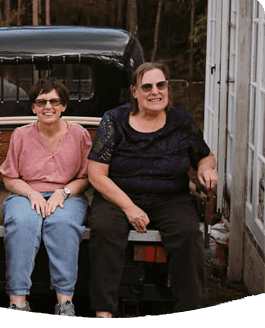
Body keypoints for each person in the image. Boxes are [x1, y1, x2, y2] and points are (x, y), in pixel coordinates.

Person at [87, 62, 218, 317]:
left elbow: (205, 155)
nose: (155, 92)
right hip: (119, 197)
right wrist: (129, 207)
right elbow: (96, 173)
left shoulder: (182, 122)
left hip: (170, 198)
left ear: (167, 88)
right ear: (134, 91)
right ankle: (104, 311)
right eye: (147, 86)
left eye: (161, 85)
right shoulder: (114, 120)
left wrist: (206, 169)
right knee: (104, 231)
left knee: (189, 235)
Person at [0, 78, 91, 316]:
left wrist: (64, 192)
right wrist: (31, 193)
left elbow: (87, 177)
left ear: (64, 106)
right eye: (41, 102)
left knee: (62, 223)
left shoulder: (80, 135)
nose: (47, 107)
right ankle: (18, 301)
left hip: (68, 195)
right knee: (22, 222)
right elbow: (9, 178)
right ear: (33, 108)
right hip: (26, 193)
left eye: (54, 101)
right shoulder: (20, 135)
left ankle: (65, 303)